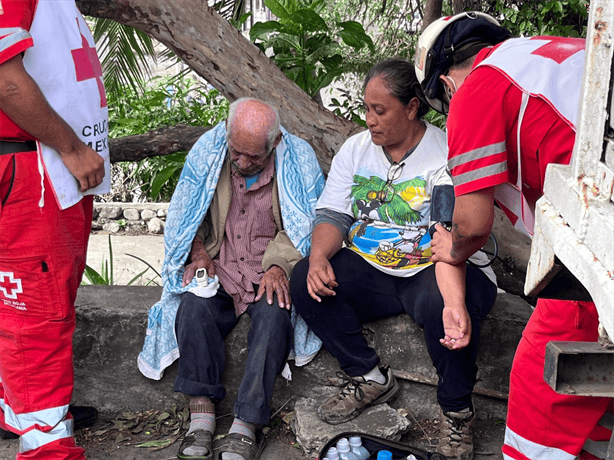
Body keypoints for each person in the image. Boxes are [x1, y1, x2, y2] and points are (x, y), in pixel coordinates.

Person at [414, 11, 612, 460]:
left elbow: (471, 224)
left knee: (538, 382)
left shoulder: (479, 86)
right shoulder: (549, 56)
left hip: (599, 244)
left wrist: (453, 244)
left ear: (446, 85)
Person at [290, 59, 497, 460]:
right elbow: (333, 215)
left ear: (412, 107)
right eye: (366, 109)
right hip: (373, 266)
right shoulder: (356, 149)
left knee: (444, 308)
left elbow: (448, 239)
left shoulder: (444, 151)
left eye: (379, 110)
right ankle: (369, 376)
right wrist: (317, 259)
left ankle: (456, 413)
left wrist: (451, 299)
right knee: (305, 279)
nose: (370, 120)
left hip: (433, 264)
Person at [139, 98, 323, 460]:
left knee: (274, 316)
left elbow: (307, 228)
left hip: (267, 272)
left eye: (253, 157)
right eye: (236, 153)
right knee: (192, 308)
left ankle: (246, 424)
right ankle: (201, 414)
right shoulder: (209, 153)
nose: (241, 162)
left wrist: (277, 266)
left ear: (274, 144)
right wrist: (199, 254)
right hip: (220, 268)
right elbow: (186, 217)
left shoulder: (297, 160)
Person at [0, 0, 110, 458]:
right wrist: (72, 147)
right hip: (32, 167)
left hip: (43, 169)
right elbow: (6, 81)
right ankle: (47, 445)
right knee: (36, 312)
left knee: (36, 298)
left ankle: (23, 409)